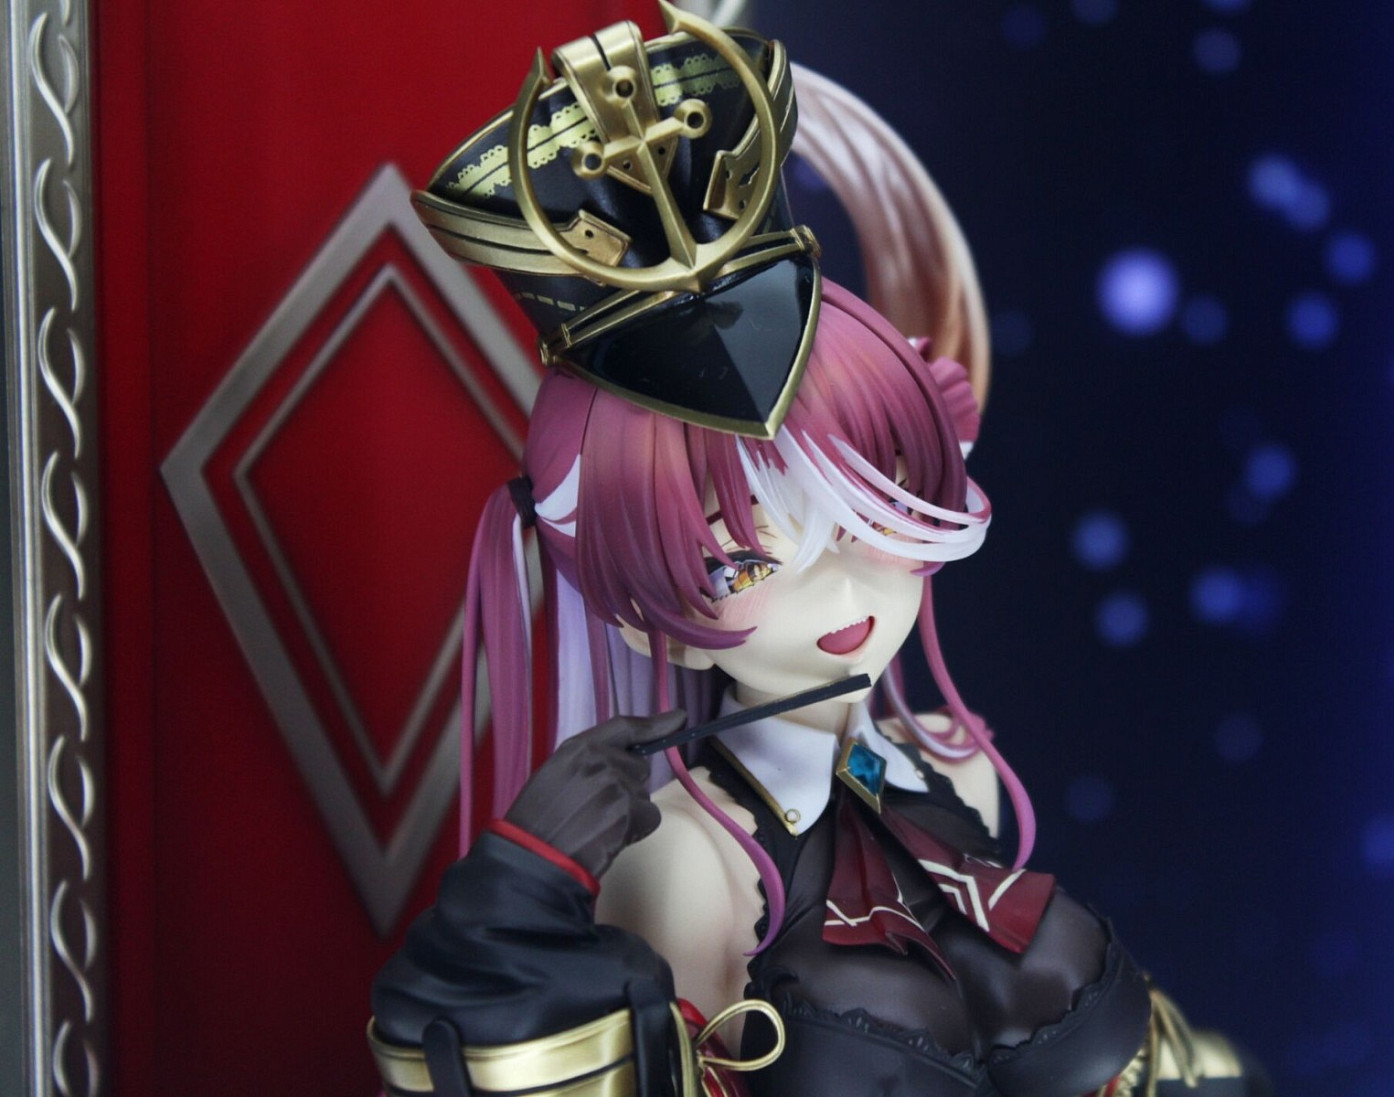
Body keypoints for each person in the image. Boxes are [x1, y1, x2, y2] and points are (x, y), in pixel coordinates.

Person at [369, 9, 1269, 1096]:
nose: (839, 588)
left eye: (872, 518)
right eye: (742, 564)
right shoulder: (688, 860)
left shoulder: (959, 767)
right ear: (642, 615)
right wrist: (510, 910)